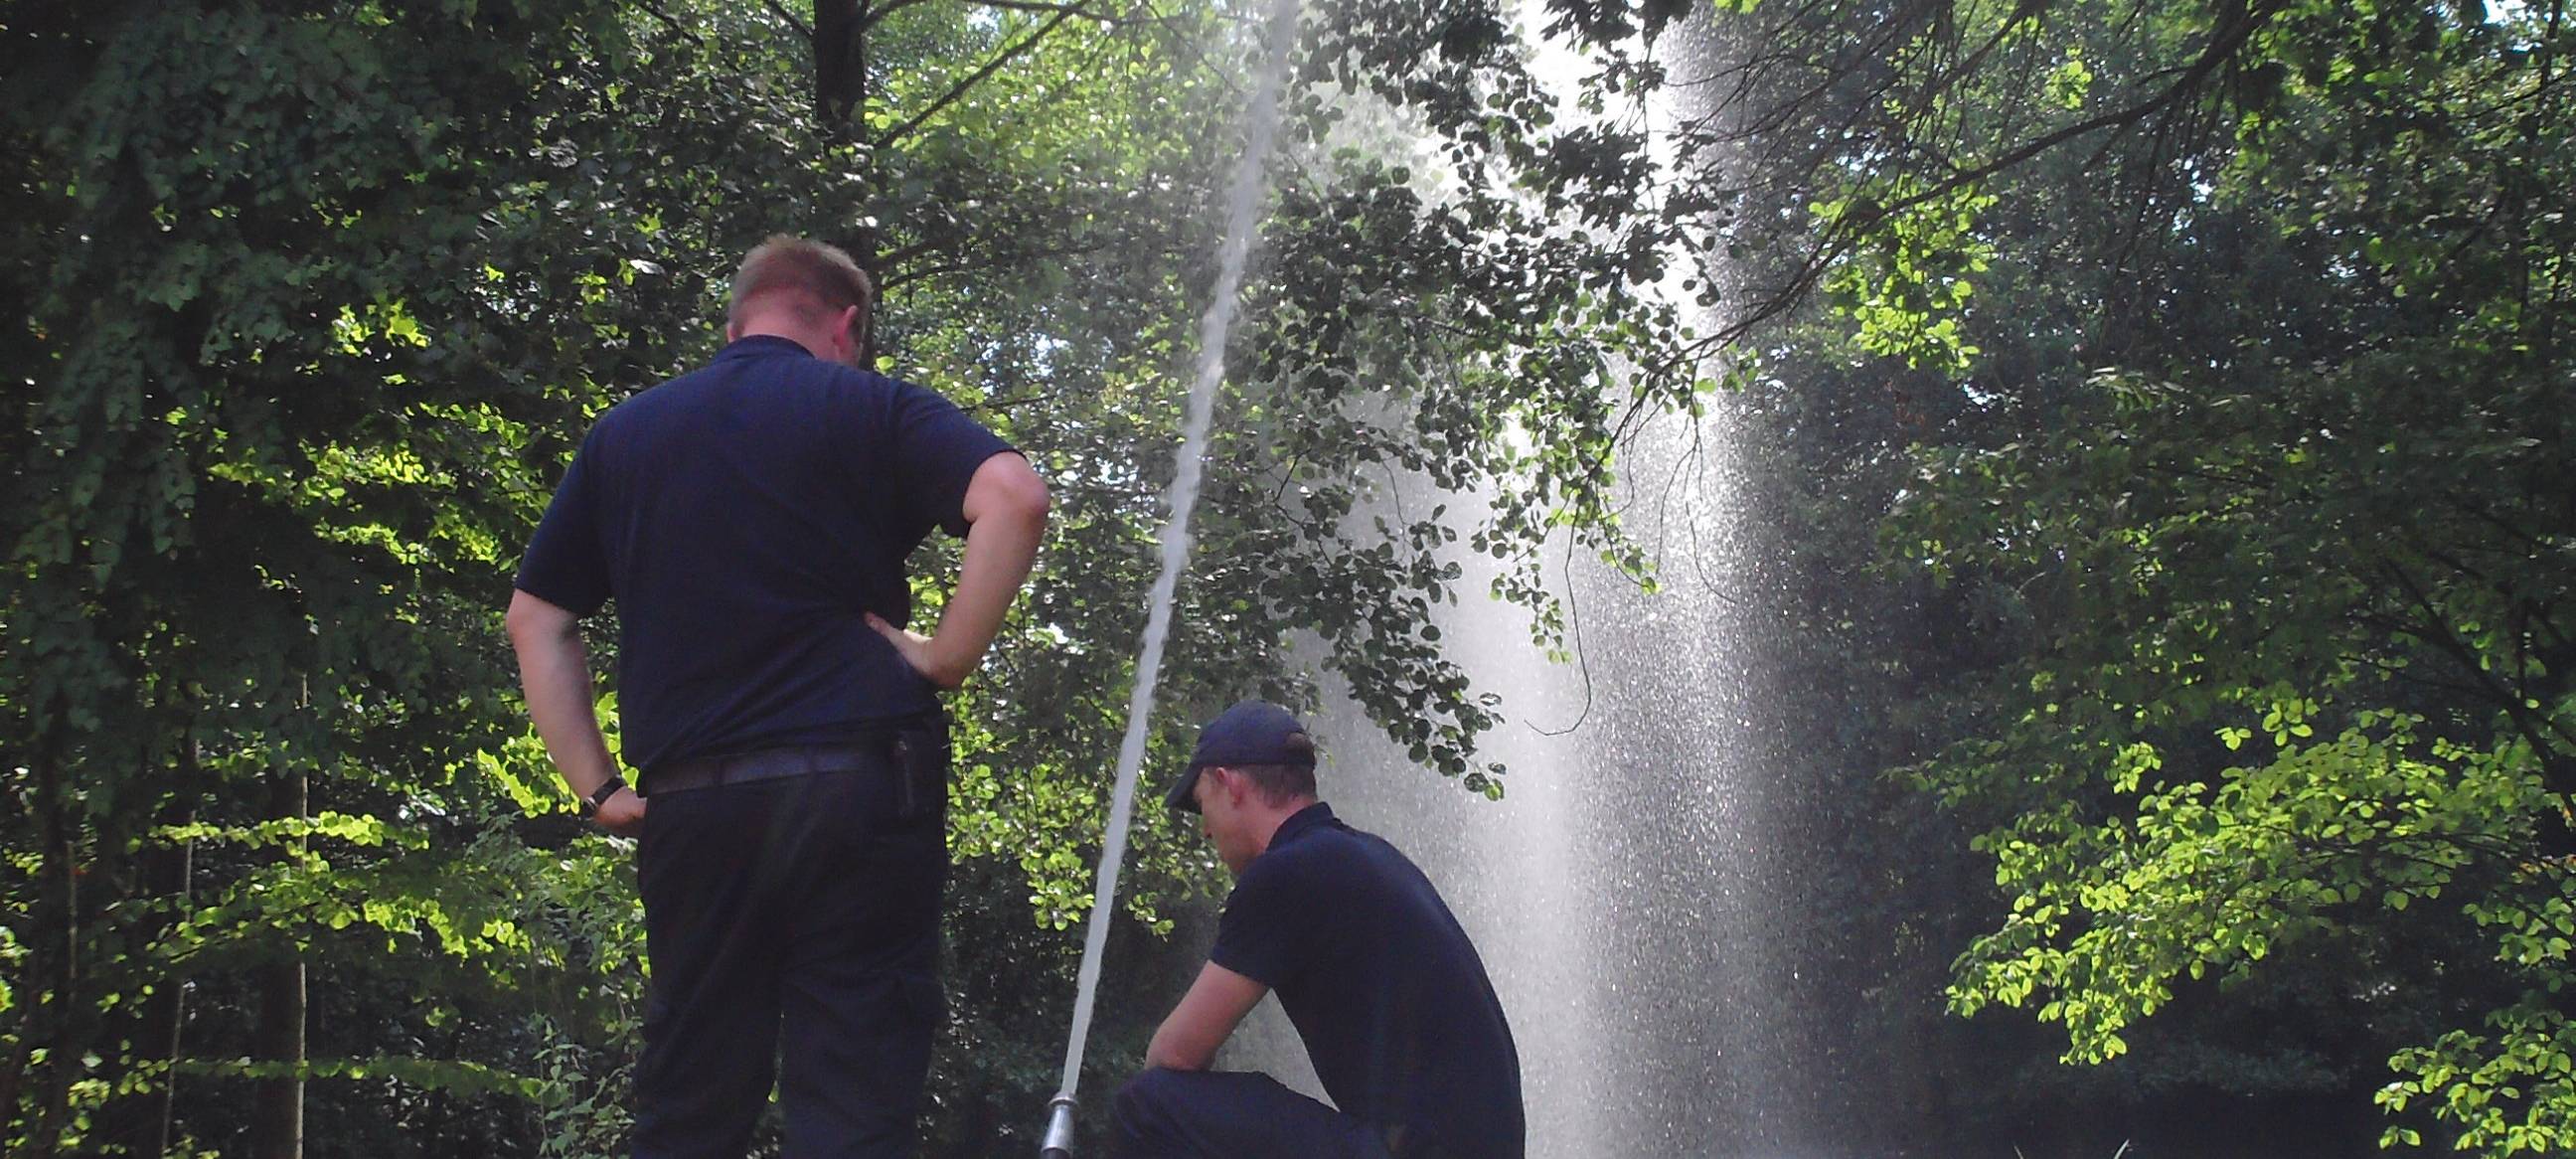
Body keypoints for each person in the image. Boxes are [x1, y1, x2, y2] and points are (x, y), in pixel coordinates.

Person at [505, 234, 1048, 1158]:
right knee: (854, 1102)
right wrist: (944, 658)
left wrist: (600, 790)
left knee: (688, 1108)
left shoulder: (625, 435)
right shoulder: (873, 407)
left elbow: (536, 619)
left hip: (696, 803)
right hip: (861, 791)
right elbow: (1015, 495)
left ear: (736, 322)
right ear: (845, 326)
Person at [1113, 701, 1525, 1159]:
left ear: (1228, 785)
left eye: (1201, 804)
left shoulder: (1284, 875)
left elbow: (1172, 1057)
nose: (1206, 831)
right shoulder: (1367, 856)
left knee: (1149, 1104)